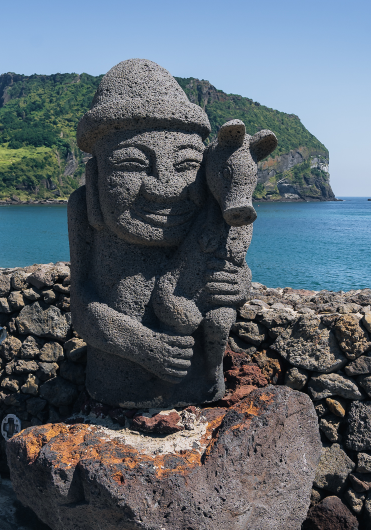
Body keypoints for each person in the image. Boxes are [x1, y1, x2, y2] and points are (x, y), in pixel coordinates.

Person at [69, 59, 253, 408]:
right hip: (115, 384)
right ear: (95, 180)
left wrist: (239, 283)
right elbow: (81, 303)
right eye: (132, 164)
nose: (166, 188)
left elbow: (231, 264)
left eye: (186, 166)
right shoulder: (83, 210)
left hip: (198, 386)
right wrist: (141, 345)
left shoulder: (208, 209)